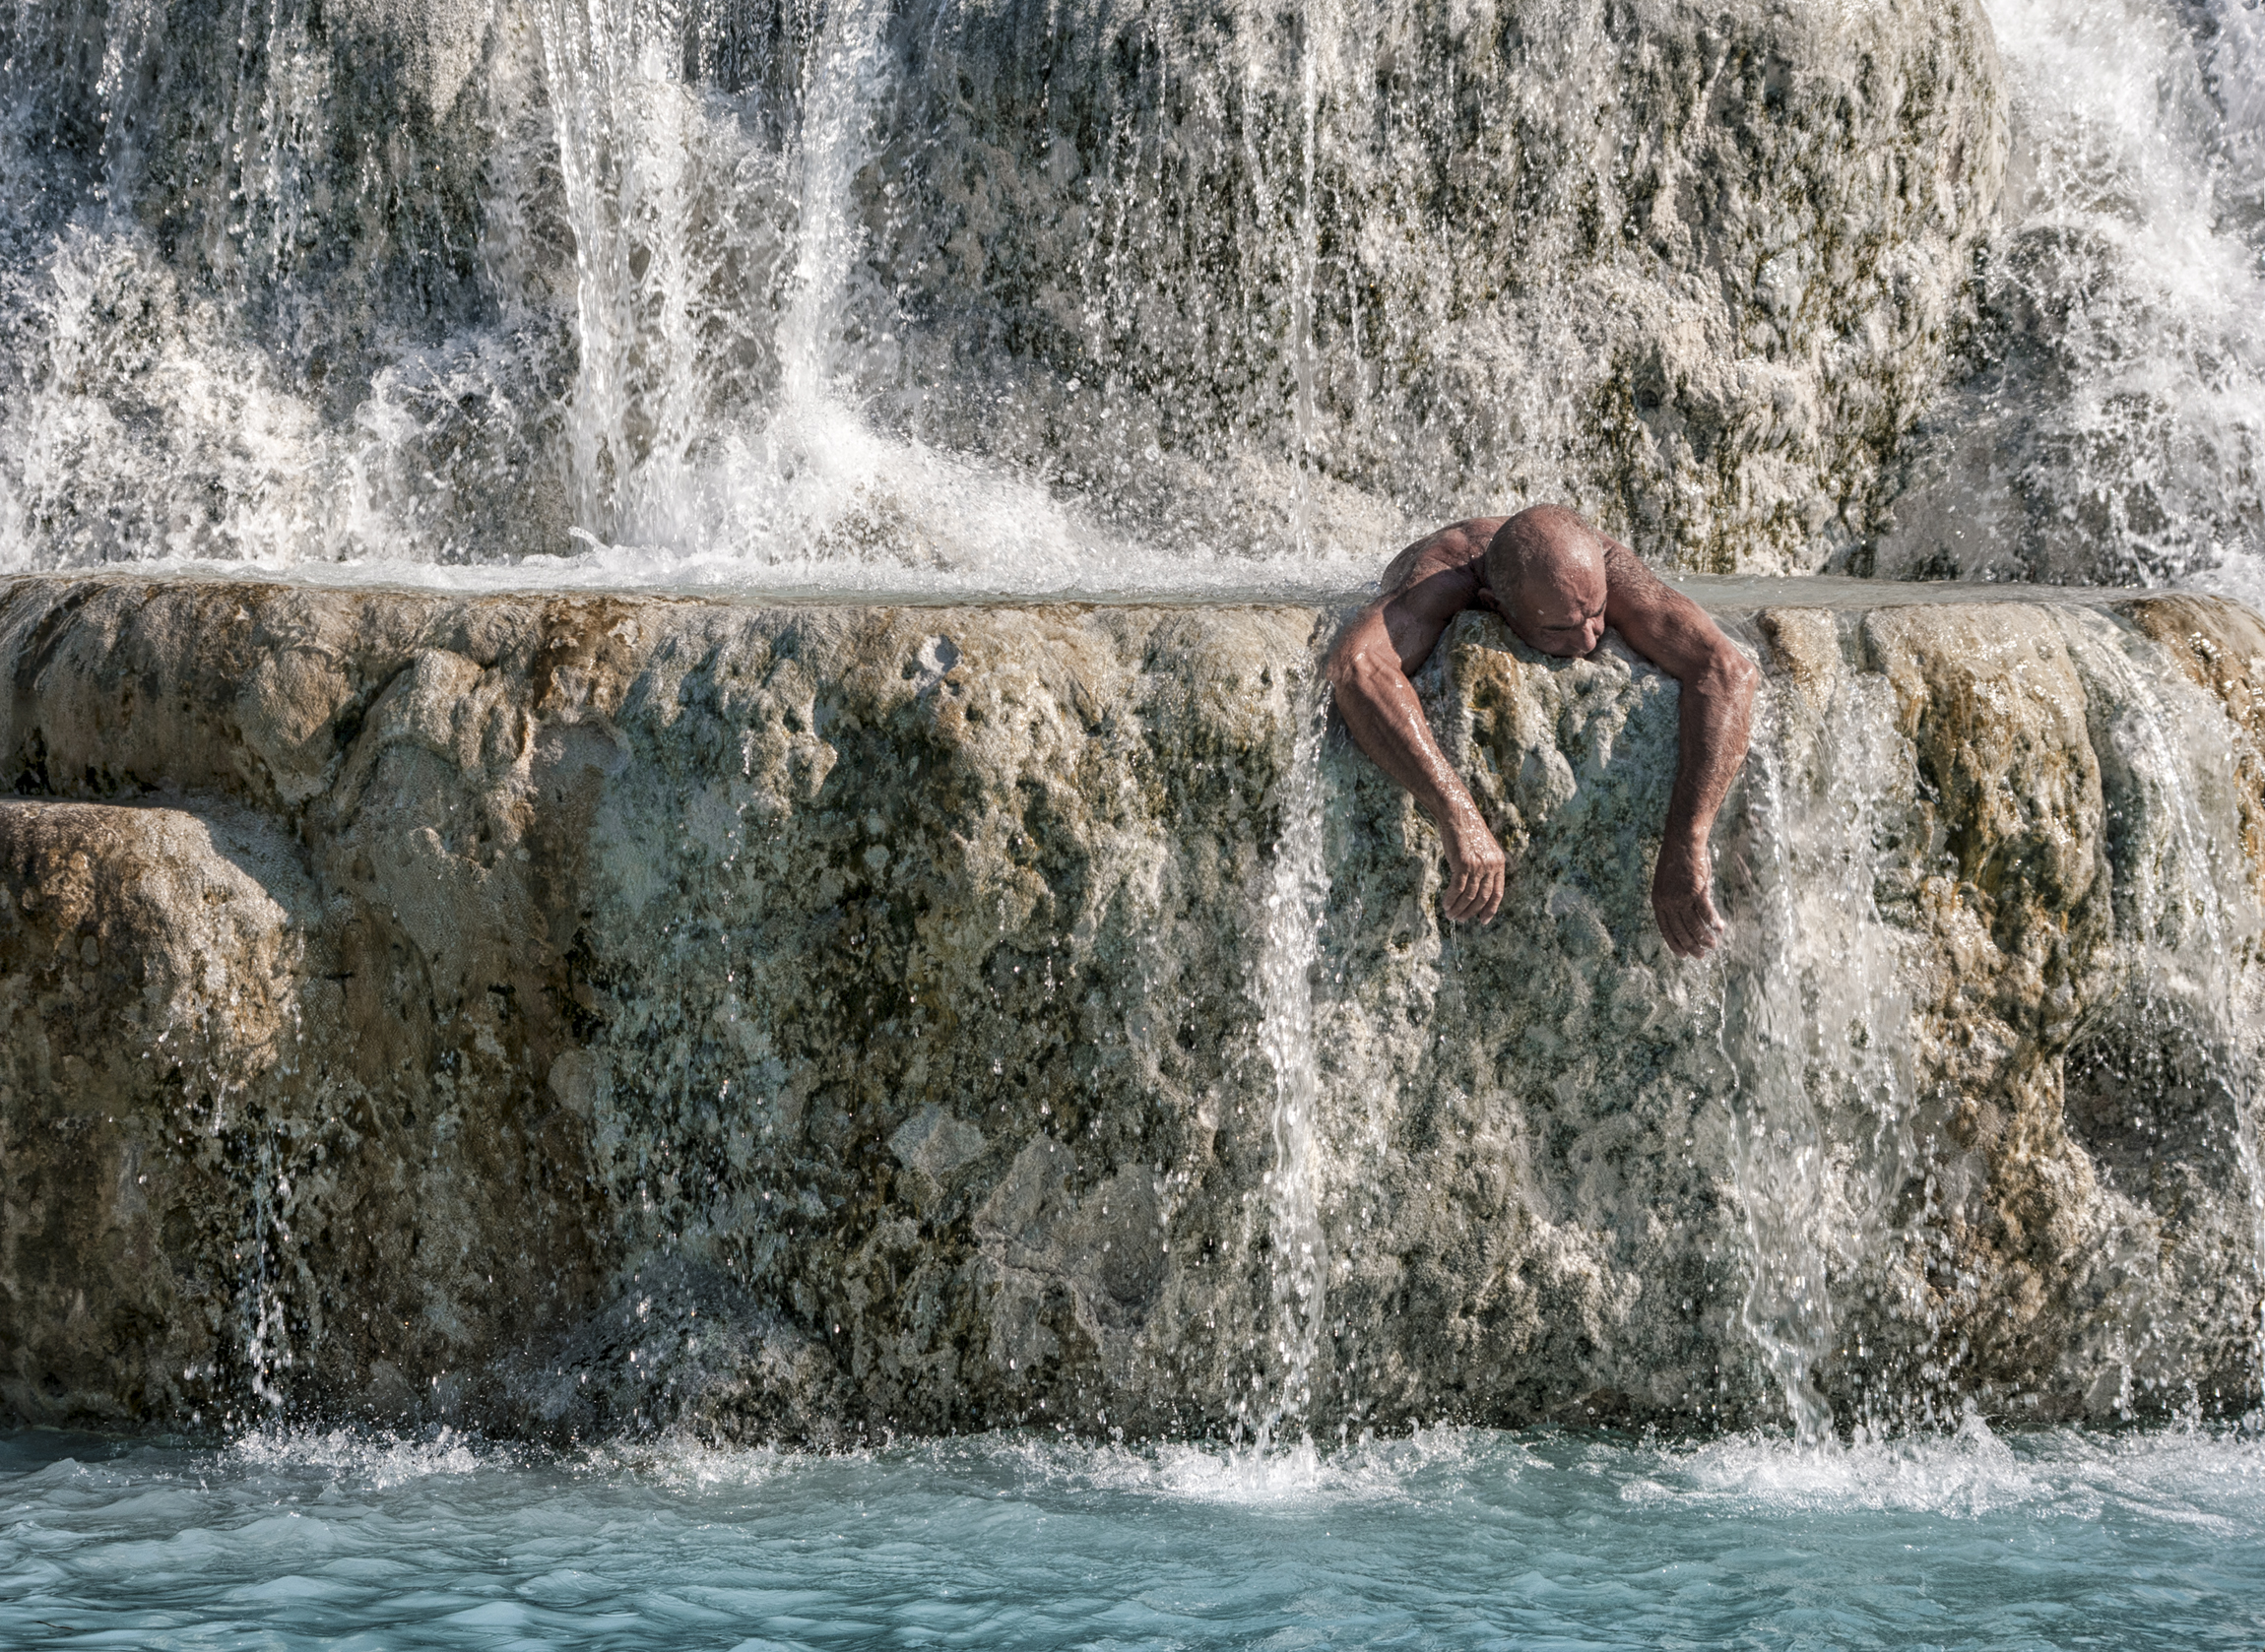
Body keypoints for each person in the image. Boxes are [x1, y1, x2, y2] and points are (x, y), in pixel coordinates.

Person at [1326, 504, 1758, 957]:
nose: (1590, 641)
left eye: (1598, 613)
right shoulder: (1445, 577)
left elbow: (1728, 671)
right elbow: (1355, 665)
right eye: (1561, 629)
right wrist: (1458, 815)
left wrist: (1687, 841)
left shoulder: (1603, 566)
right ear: (1495, 607)